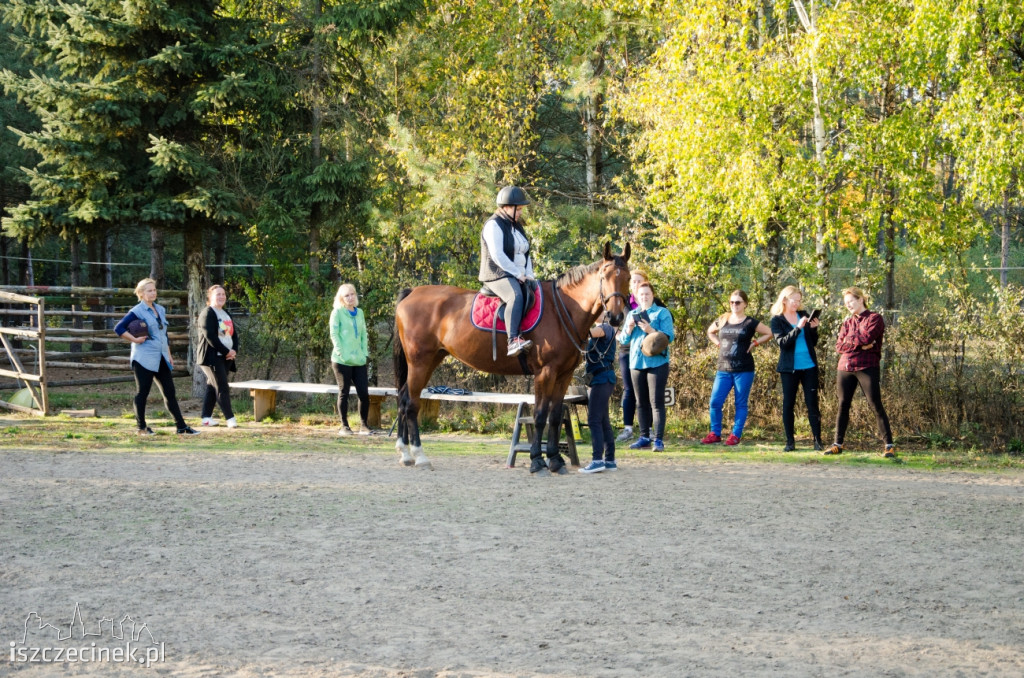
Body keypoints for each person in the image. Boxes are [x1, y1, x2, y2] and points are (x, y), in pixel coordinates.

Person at [114, 278, 199, 436]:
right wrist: (134, 339)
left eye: (154, 290)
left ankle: (181, 427)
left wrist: (168, 353)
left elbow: (163, 333)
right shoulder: (136, 311)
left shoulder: (160, 309)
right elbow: (118, 328)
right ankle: (142, 428)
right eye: (149, 291)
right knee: (143, 393)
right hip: (143, 358)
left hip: (160, 356)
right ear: (141, 293)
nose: (153, 293)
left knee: (169, 392)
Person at [823, 287, 896, 457]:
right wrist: (859, 345)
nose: (848, 305)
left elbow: (867, 338)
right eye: (846, 303)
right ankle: (837, 444)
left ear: (861, 299)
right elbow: (839, 346)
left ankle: (889, 446)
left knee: (875, 404)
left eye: (851, 301)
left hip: (867, 366)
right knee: (843, 405)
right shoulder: (847, 323)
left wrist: (853, 342)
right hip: (845, 367)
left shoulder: (875, 318)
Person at [702, 290, 772, 447]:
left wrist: (755, 343)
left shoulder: (750, 322)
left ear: (745, 304)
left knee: (740, 403)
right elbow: (710, 331)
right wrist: (718, 343)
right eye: (732, 302)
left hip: (744, 369)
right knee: (715, 402)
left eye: (738, 302)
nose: (734, 305)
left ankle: (735, 435)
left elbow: (769, 333)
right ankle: (715, 433)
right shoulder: (723, 319)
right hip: (723, 368)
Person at [478, 185, 536, 356]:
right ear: (506, 207)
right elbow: (497, 255)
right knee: (515, 295)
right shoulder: (493, 225)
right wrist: (518, 274)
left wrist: (529, 275)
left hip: (518, 274)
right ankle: (513, 341)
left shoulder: (516, 226)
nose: (520, 213)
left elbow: (526, 253)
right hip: (497, 274)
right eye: (517, 209)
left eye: (521, 209)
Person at [618, 282, 675, 452]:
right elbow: (623, 341)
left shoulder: (662, 312)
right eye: (641, 294)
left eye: (647, 294)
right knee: (641, 402)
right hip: (636, 362)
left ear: (652, 295)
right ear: (636, 296)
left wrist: (651, 330)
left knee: (656, 402)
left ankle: (658, 439)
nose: (644, 297)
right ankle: (644, 437)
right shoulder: (632, 314)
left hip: (657, 362)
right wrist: (628, 329)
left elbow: (669, 337)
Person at [770, 286, 822, 451]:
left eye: (799, 300)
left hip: (809, 366)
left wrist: (814, 329)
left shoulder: (804, 315)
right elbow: (783, 343)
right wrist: (798, 327)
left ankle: (818, 441)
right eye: (794, 300)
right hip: (789, 368)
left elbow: (812, 342)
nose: (797, 303)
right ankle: (790, 442)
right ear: (784, 299)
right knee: (788, 404)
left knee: (812, 403)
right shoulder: (777, 320)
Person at [330, 283, 371, 435]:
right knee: (344, 392)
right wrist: (340, 352)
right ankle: (345, 426)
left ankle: (364, 425)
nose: (350, 297)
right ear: (341, 298)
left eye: (352, 294)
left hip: (358, 360)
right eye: (347, 295)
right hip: (342, 360)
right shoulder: (337, 313)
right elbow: (334, 334)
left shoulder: (359, 312)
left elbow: (363, 335)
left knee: (363, 393)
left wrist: (364, 354)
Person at [580, 315, 618, 473]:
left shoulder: (606, 328)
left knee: (594, 420)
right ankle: (609, 460)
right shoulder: (601, 331)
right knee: (603, 421)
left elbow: (588, 332)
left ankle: (597, 460)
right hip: (601, 379)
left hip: (603, 379)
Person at [197, 284, 239, 428]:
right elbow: (210, 337)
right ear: (210, 297)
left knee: (212, 386)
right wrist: (226, 351)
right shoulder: (207, 313)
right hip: (211, 357)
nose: (221, 297)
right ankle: (230, 419)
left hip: (226, 357)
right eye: (218, 294)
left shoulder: (225, 313)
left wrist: (233, 350)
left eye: (223, 294)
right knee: (222, 386)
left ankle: (206, 418)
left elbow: (234, 334)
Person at [615, 270, 648, 443]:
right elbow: (610, 322)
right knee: (629, 389)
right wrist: (621, 335)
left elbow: (667, 318)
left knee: (645, 390)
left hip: (647, 351)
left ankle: (647, 429)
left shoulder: (651, 300)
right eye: (632, 281)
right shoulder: (622, 301)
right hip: (627, 351)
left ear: (646, 283)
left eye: (638, 281)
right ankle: (628, 428)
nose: (635, 284)